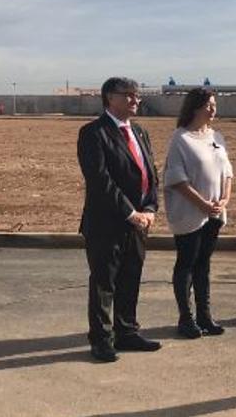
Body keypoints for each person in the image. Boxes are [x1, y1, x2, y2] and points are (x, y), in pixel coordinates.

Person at [77, 77, 161, 362]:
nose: (136, 100)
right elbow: (101, 180)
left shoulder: (140, 132)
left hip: (139, 223)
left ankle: (127, 332)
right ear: (110, 98)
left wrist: (150, 209)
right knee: (104, 283)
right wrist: (130, 212)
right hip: (107, 222)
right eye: (129, 96)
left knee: (130, 278)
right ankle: (101, 339)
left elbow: (150, 176)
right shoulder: (93, 133)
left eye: (137, 95)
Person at [164, 88, 234, 338]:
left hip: (214, 213)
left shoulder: (216, 136)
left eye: (214, 104)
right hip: (190, 214)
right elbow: (176, 179)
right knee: (187, 264)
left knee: (204, 265)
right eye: (208, 105)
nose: (213, 109)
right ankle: (186, 318)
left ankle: (205, 316)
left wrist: (224, 198)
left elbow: (227, 172)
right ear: (195, 107)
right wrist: (202, 203)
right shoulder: (181, 139)